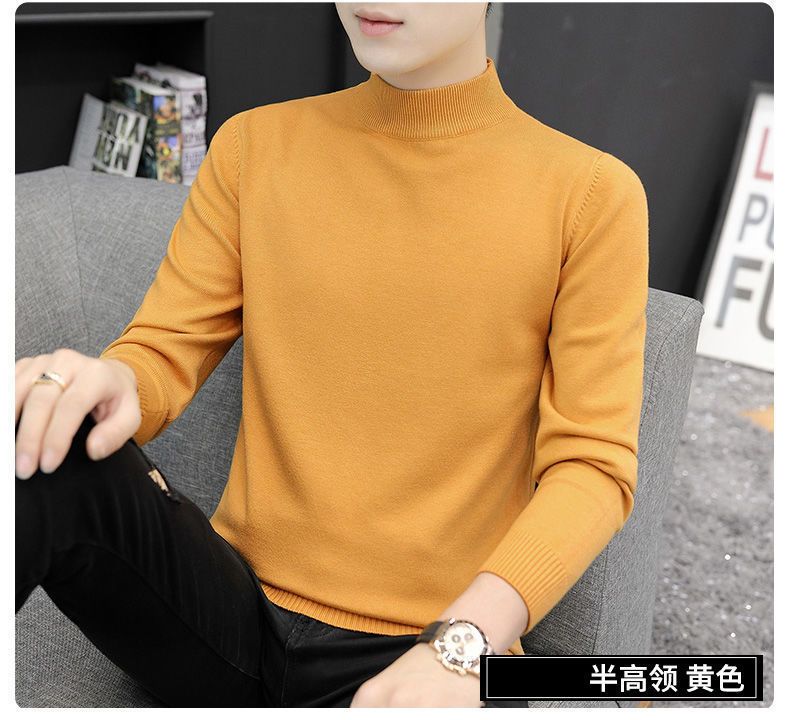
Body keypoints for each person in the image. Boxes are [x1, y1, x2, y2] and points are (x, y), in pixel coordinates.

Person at [15, 1, 649, 709]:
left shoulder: (591, 195)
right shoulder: (255, 145)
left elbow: (592, 467)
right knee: (34, 437)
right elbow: (165, 350)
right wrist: (112, 378)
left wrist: (465, 643)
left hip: (423, 650)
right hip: (228, 615)